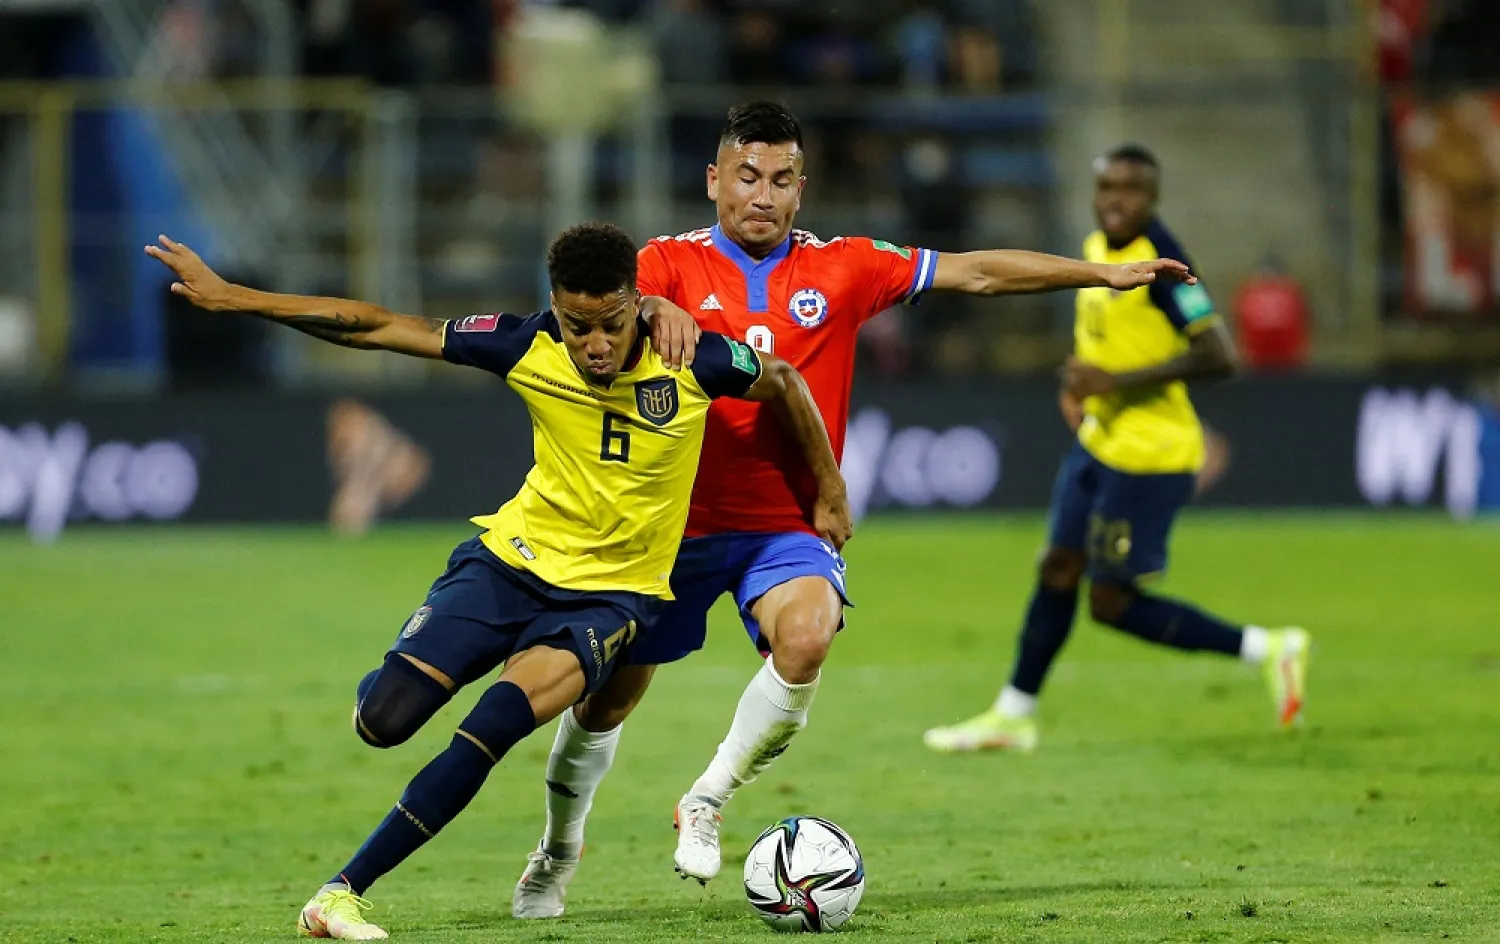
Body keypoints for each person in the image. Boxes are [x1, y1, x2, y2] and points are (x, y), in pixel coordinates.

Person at [512, 102, 1200, 917]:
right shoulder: (665, 263)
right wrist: (657, 308)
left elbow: (976, 271)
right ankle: (557, 851)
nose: (761, 195)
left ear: (802, 190)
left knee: (807, 638)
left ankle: (706, 798)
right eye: (745, 176)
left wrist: (1103, 273)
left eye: (780, 180)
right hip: (671, 525)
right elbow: (613, 307)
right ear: (713, 181)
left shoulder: (845, 266)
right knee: (606, 702)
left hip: (788, 526)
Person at [145, 222, 850, 941]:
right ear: (555, 307)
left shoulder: (694, 357)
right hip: (508, 565)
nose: (595, 346)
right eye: (579, 329)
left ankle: (340, 893)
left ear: (637, 304)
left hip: (610, 601)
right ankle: (414, 665)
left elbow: (787, 381)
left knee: (492, 728)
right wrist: (236, 298)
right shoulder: (527, 344)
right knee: (382, 721)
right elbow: (380, 327)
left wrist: (828, 487)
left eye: (610, 325)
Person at [922, 145, 1311, 755]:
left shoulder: (1167, 267)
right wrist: (1078, 383)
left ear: (1152, 199)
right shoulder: (1099, 249)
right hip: (1099, 443)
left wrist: (1115, 384)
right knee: (1056, 567)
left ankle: (1270, 649)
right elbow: (1102, 339)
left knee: (1110, 603)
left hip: (1150, 457)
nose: (1115, 200)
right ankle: (1013, 715)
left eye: (1130, 190)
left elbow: (1219, 354)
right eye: (1106, 187)